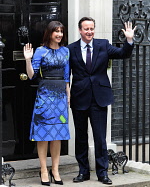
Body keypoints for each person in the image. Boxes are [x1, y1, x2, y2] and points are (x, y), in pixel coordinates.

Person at [67, 17, 136, 185]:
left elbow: (123, 54)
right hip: (79, 98)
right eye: (86, 29)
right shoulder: (71, 49)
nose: (89, 31)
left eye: (92, 28)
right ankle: (83, 172)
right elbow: (65, 74)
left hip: (99, 98)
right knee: (81, 138)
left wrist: (129, 39)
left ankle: (102, 173)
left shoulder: (103, 45)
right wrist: (67, 93)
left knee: (100, 138)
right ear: (80, 30)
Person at [23, 21, 70, 186]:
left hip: (60, 98)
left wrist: (68, 97)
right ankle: (43, 169)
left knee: (57, 135)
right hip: (44, 97)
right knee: (43, 135)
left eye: (61, 32)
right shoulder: (40, 51)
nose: (59, 34)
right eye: (56, 31)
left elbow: (66, 77)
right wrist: (28, 60)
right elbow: (31, 76)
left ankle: (55, 170)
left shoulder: (66, 51)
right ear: (49, 33)